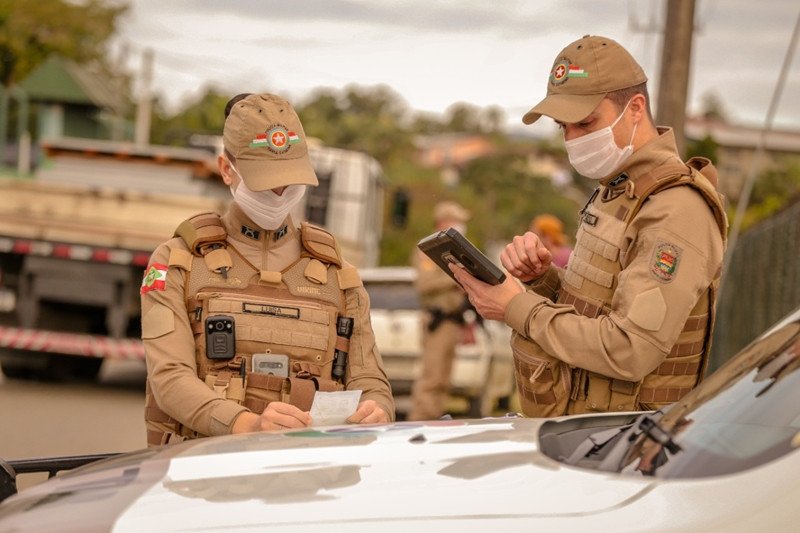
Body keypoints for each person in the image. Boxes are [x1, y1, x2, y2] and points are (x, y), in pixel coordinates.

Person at [452, 35, 727, 418]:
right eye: (563, 126)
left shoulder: (675, 207)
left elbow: (630, 349)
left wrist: (517, 308)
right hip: (587, 430)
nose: (573, 139)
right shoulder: (618, 189)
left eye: (585, 122)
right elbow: (599, 307)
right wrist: (544, 280)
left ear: (635, 109)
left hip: (626, 443)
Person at [141, 93, 394, 446]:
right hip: (202, 474)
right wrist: (245, 425)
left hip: (308, 475)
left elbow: (370, 380)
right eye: (266, 180)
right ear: (227, 169)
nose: (280, 192)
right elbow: (169, 379)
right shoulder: (179, 261)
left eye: (291, 179)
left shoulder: (339, 275)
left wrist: (376, 408)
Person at [407, 201, 471, 421]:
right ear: (443, 222)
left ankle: (433, 423)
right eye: (457, 221)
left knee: (443, 381)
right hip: (437, 319)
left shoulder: (450, 250)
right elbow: (424, 283)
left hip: (453, 320)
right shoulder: (428, 250)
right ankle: (420, 423)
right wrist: (455, 276)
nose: (462, 226)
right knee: (431, 379)